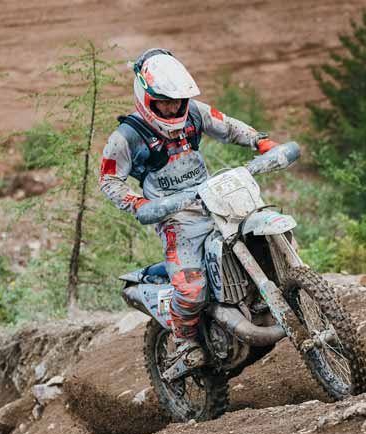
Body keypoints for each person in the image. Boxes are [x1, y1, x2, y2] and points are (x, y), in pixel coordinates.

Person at [99, 48, 279, 368]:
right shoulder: (127, 136)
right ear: (146, 97)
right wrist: (138, 203)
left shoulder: (194, 112)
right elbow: (109, 179)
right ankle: (184, 342)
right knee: (192, 288)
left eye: (177, 101)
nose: (172, 108)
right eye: (164, 102)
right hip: (175, 217)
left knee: (263, 234)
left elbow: (228, 126)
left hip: (214, 200)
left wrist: (260, 141)